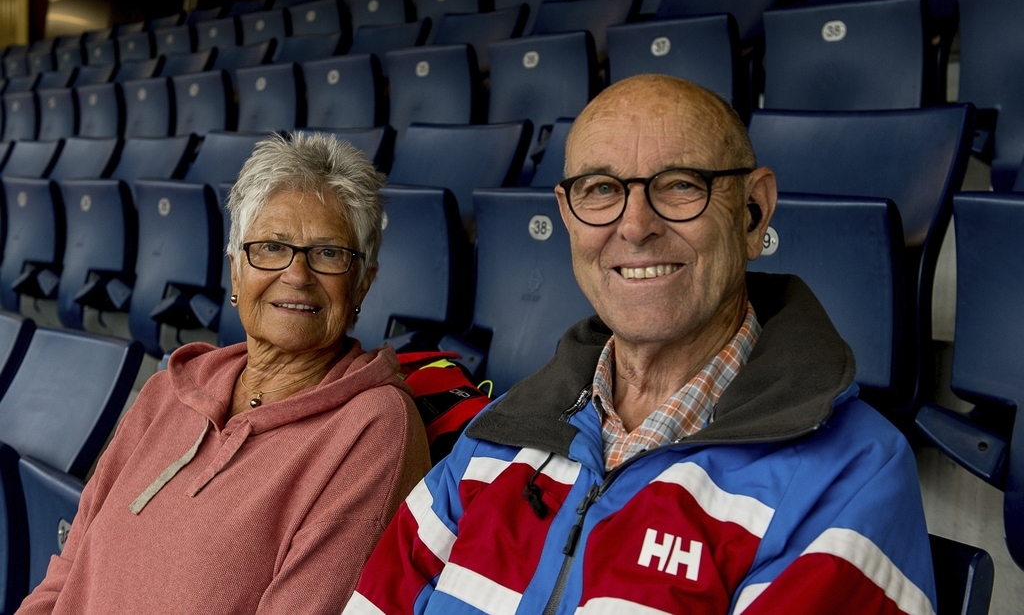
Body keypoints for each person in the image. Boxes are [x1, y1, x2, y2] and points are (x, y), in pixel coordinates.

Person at [344, 75, 938, 615]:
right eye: (601, 189)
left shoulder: (852, 477)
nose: (634, 226)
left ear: (754, 214)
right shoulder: (498, 432)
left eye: (680, 185)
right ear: (569, 218)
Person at [18, 133, 431, 614]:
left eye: (328, 253)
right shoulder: (166, 393)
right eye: (272, 248)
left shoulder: (371, 429)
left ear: (363, 283)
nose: (297, 275)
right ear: (236, 272)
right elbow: (70, 569)